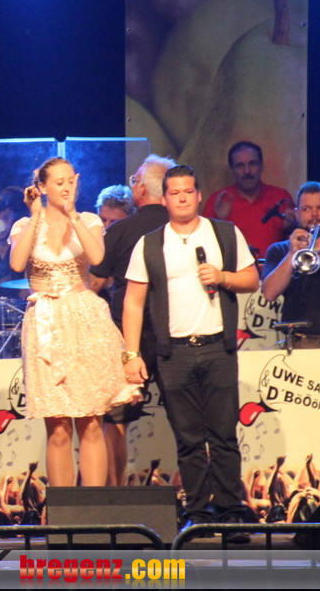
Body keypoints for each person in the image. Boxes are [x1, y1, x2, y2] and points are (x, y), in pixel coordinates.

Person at [122, 165, 259, 542]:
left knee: (224, 435)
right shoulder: (150, 244)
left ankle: (230, 513)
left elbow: (252, 279)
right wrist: (131, 354)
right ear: (164, 199)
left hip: (218, 348)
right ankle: (197, 514)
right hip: (173, 354)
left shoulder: (224, 233)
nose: (182, 198)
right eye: (175, 192)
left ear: (199, 195)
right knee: (188, 439)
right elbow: (133, 302)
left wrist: (223, 277)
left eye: (188, 192)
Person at [7, 157, 139, 488]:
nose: (66, 187)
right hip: (45, 322)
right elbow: (17, 264)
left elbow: (97, 257)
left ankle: (94, 508)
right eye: (59, 182)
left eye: (71, 181)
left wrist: (73, 215)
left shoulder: (89, 220)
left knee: (91, 421)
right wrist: (35, 216)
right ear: (42, 187)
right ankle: (62, 510)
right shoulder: (25, 225)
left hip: (84, 319)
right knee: (58, 425)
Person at [89, 154, 175, 486]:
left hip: (127, 335)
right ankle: (195, 498)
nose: (133, 185)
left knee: (116, 418)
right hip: (174, 330)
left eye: (134, 180)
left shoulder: (121, 231)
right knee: (186, 418)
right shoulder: (184, 229)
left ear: (140, 189)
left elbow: (94, 283)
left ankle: (115, 493)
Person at [203, 141, 294, 258]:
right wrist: (220, 221)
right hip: (234, 268)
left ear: (261, 166)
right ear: (232, 169)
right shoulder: (218, 200)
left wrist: (290, 228)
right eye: (240, 165)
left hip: (274, 267)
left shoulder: (280, 197)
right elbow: (205, 244)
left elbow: (296, 245)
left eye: (252, 164)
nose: (247, 171)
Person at [261, 181, 320, 348]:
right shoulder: (279, 250)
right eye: (306, 209)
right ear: (296, 214)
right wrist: (291, 254)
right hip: (300, 341)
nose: (314, 214)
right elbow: (269, 293)